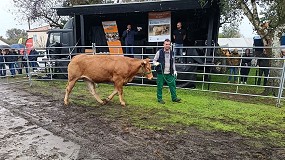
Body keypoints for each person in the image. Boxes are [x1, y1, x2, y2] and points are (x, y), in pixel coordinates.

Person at [153, 39, 181, 104]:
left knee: (173, 85)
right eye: (166, 44)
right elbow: (154, 61)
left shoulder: (172, 53)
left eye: (168, 44)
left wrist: (175, 70)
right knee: (160, 86)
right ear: (163, 45)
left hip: (169, 73)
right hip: (161, 73)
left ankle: (174, 98)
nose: (167, 46)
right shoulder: (159, 52)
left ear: (170, 45)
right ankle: (159, 99)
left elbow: (173, 62)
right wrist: (156, 63)